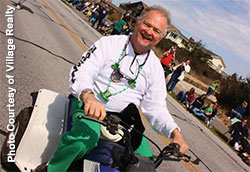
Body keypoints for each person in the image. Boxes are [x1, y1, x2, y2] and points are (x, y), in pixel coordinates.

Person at [46, 6, 188, 171]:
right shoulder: (109, 44)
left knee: (146, 164)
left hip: (123, 122)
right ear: (137, 23)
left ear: (160, 37)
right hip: (88, 107)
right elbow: (82, 70)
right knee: (81, 141)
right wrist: (88, 96)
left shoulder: (155, 68)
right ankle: (52, 169)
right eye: (147, 25)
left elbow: (156, 107)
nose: (150, 32)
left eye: (156, 30)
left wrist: (175, 133)